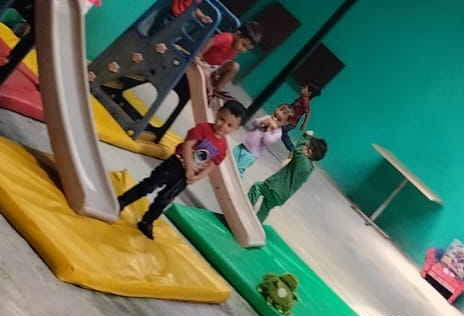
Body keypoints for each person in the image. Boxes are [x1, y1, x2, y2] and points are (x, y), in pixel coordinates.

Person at [116, 100, 244, 240]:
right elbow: (188, 145)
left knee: (165, 199)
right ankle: (122, 201)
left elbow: (212, 165)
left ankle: (147, 221)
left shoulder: (222, 147)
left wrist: (197, 177)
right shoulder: (203, 128)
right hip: (174, 164)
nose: (223, 126)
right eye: (221, 119)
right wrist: (189, 168)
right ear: (217, 113)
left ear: (235, 129)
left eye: (229, 125)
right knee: (149, 185)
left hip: (185, 178)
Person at [249, 135, 328, 223]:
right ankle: (257, 223)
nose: (304, 146)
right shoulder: (309, 168)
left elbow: (298, 148)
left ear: (308, 152)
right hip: (281, 196)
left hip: (275, 188)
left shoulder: (302, 159)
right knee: (265, 208)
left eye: (306, 146)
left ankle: (247, 208)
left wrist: (306, 136)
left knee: (257, 187)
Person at [199, 19, 261, 100]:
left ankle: (218, 87)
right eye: (243, 45)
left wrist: (218, 74)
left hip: (214, 68)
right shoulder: (228, 38)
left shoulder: (236, 49)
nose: (243, 49)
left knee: (235, 66)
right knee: (207, 81)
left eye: (247, 49)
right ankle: (211, 89)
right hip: (204, 62)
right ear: (237, 34)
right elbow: (211, 41)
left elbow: (226, 62)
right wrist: (199, 54)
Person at [233, 104, 295, 174]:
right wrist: (261, 122)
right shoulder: (267, 117)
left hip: (251, 154)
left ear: (285, 123)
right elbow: (254, 123)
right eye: (274, 115)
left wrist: (269, 129)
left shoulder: (278, 133)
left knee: (238, 170)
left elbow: (266, 141)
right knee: (230, 159)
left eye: (279, 120)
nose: (274, 119)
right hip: (244, 144)